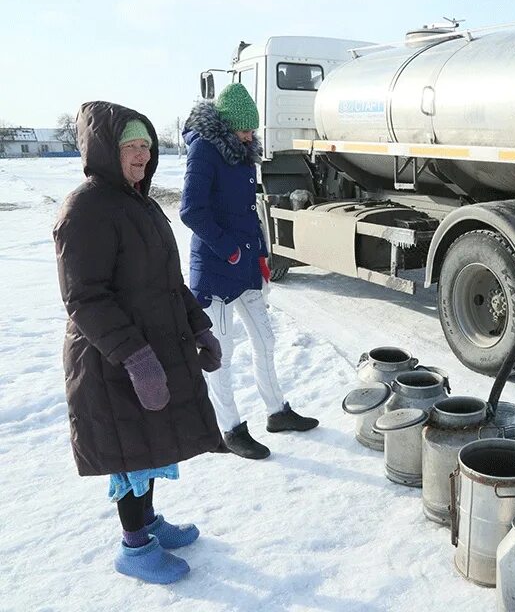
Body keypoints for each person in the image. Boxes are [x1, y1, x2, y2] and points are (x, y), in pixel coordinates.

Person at [54, 102, 223, 584]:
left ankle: (148, 523)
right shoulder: (84, 209)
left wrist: (198, 326)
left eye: (146, 146)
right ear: (106, 150)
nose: (141, 156)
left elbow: (168, 283)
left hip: (150, 349)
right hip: (113, 359)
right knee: (128, 449)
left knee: (149, 445)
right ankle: (134, 547)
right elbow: (84, 299)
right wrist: (135, 356)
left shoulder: (140, 204)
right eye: (130, 145)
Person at [180, 83, 318, 460]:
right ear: (225, 125)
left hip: (245, 269)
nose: (250, 136)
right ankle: (229, 429)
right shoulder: (204, 149)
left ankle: (277, 412)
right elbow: (191, 210)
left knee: (266, 340)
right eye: (244, 129)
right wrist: (229, 251)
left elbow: (246, 211)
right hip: (215, 271)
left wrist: (259, 256)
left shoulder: (241, 152)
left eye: (252, 130)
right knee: (221, 354)